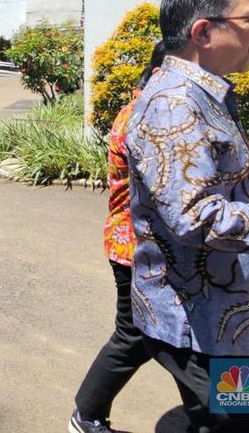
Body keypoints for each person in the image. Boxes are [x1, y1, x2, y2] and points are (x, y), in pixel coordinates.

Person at [126, 0, 249, 430]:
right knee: (243, 426)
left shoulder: (204, 94)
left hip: (232, 324)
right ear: (203, 31)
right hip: (209, 329)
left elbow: (226, 182)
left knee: (246, 420)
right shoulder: (175, 103)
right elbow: (197, 216)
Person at [69, 42, 167, 433]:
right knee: (138, 336)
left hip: (153, 248)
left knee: (152, 339)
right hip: (141, 249)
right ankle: (86, 413)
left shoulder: (158, 111)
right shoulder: (146, 117)